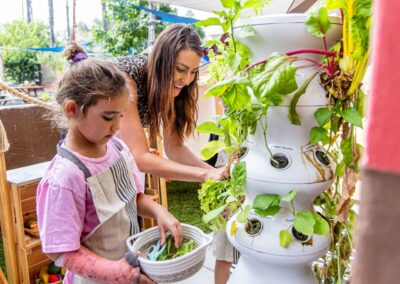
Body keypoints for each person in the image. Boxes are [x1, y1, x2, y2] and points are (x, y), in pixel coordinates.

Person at [36, 43, 182, 284]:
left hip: (129, 270)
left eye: (120, 115)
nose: (116, 126)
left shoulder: (117, 147)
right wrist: (119, 273)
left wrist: (159, 211)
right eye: (107, 117)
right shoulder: (64, 178)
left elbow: (133, 197)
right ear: (72, 109)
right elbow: (61, 250)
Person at [114, 24, 228, 182]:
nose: (187, 80)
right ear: (162, 61)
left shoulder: (171, 87)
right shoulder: (126, 79)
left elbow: (174, 147)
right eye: (180, 69)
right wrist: (206, 175)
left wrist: (217, 173)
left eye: (193, 72)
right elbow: (139, 157)